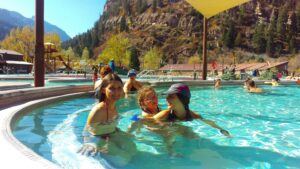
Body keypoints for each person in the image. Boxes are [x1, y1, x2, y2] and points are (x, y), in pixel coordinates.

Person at [78, 73, 136, 167]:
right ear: (103, 90)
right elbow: (87, 131)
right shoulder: (98, 110)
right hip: (98, 139)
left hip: (112, 134)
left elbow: (111, 125)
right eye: (112, 88)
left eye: (119, 88)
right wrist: (90, 144)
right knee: (123, 160)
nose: (116, 92)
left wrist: (121, 132)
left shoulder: (115, 107)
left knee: (132, 149)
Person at [128, 85, 198, 156]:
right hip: (150, 128)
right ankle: (170, 151)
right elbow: (151, 123)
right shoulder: (146, 114)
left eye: (155, 96)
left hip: (159, 124)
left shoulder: (158, 109)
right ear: (143, 103)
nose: (154, 99)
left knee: (183, 129)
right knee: (168, 132)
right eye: (149, 98)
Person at [152, 83, 230, 137]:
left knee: (192, 136)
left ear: (183, 100)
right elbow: (148, 123)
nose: (166, 99)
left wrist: (222, 130)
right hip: (169, 142)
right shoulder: (165, 114)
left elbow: (209, 122)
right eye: (167, 96)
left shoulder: (193, 115)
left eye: (171, 97)